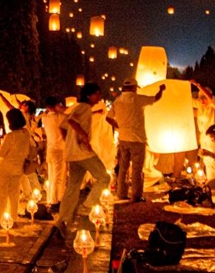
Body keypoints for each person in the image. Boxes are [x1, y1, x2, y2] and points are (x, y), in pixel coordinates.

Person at [56, 83, 111, 240]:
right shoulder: (84, 107)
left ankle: (63, 221)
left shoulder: (78, 108)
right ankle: (87, 206)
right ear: (88, 95)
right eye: (97, 94)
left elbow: (62, 126)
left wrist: (69, 142)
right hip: (83, 153)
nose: (99, 97)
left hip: (73, 154)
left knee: (73, 186)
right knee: (104, 177)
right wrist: (83, 137)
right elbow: (72, 121)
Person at [105, 78, 165, 202]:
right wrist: (161, 90)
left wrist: (119, 126)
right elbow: (156, 98)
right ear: (134, 88)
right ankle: (136, 195)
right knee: (137, 168)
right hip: (137, 138)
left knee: (123, 167)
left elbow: (108, 118)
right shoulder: (138, 99)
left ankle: (121, 193)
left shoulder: (117, 101)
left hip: (123, 138)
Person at [0, 108, 29, 227]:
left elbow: (1, 153)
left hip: (5, 169)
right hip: (18, 168)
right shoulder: (26, 134)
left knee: (0, 195)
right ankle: (14, 220)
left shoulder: (10, 136)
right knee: (14, 195)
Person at [40, 96, 67, 212]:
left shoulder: (45, 118)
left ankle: (52, 199)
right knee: (58, 177)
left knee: (52, 176)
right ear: (56, 105)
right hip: (59, 150)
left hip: (50, 150)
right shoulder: (60, 117)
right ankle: (55, 202)